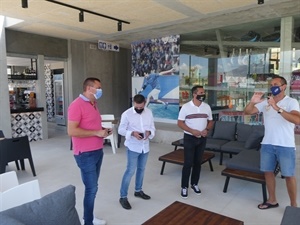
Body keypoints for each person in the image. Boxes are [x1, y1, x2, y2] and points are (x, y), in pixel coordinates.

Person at [244, 75, 300, 209]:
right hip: (267, 143)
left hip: (285, 145)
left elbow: (297, 120)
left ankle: (293, 205)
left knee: (288, 175)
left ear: (283, 87)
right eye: (271, 84)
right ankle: (272, 200)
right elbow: (247, 112)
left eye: (275, 84)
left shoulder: (291, 102)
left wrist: (277, 108)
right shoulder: (266, 102)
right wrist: (252, 102)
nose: (272, 86)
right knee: (268, 172)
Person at [68, 77, 111, 225]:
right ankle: (88, 222)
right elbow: (71, 131)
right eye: (98, 88)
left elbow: (91, 125)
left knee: (93, 187)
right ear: (89, 88)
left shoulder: (94, 103)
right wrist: (96, 133)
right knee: (91, 189)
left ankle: (89, 217)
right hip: (85, 154)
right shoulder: (76, 105)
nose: (101, 90)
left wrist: (103, 131)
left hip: (98, 150)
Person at [118, 94, 156, 210]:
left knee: (141, 169)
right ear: (133, 103)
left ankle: (138, 191)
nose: (139, 109)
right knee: (130, 171)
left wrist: (150, 132)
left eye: (141, 107)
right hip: (133, 147)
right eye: (137, 107)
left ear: (144, 103)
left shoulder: (149, 112)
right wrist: (132, 133)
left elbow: (152, 126)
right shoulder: (127, 114)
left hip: (145, 146)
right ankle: (123, 197)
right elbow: (120, 130)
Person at [177, 85, 213, 198]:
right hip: (189, 138)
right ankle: (184, 186)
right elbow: (180, 123)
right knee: (188, 163)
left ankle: (194, 184)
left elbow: (211, 121)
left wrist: (206, 130)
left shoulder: (206, 107)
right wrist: (192, 131)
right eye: (201, 92)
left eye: (204, 92)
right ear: (194, 94)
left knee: (198, 162)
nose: (203, 94)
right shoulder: (186, 107)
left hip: (202, 138)